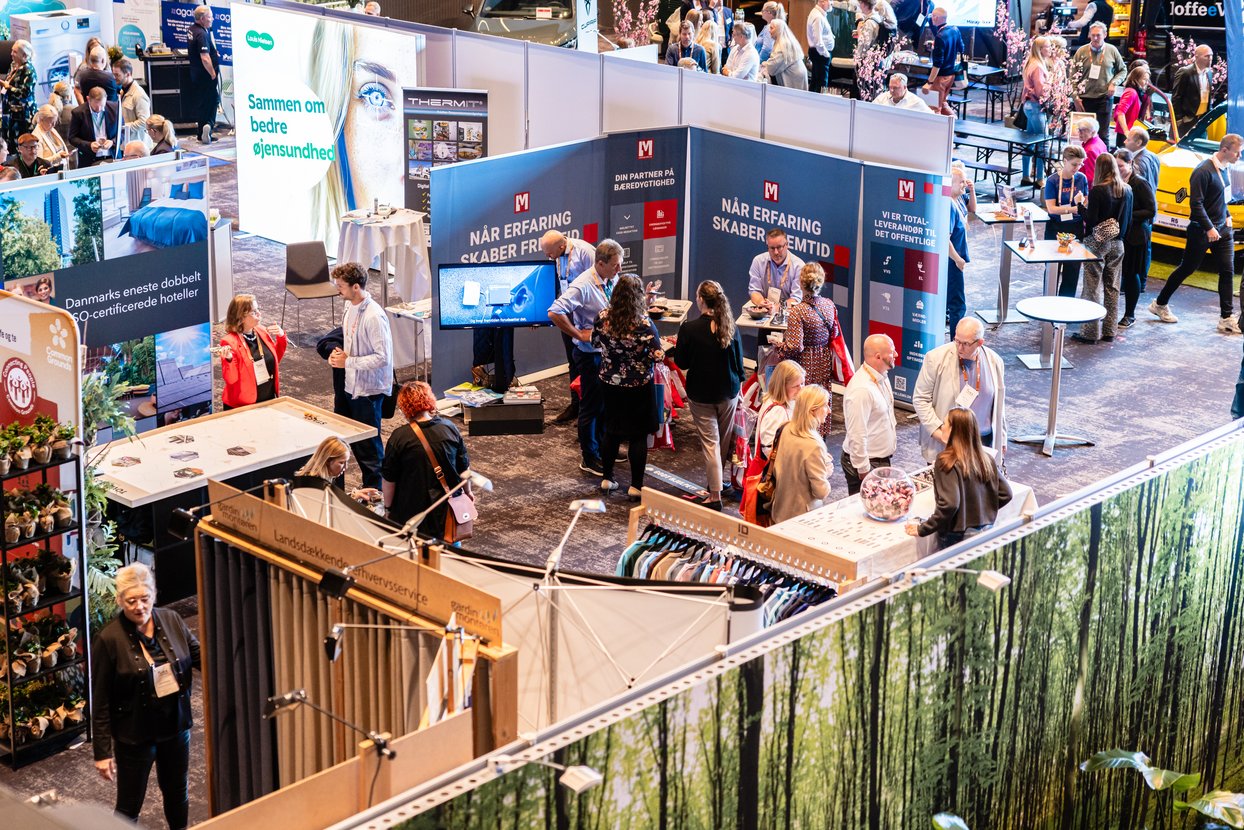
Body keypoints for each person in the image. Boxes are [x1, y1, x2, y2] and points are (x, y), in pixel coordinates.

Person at [92, 562, 199, 830]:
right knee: (129, 807)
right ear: (120, 601)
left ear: (154, 594)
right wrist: (102, 753)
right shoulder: (108, 639)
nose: (139, 607)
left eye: (145, 598)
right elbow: (101, 700)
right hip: (135, 735)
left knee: (178, 792)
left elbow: (198, 655)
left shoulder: (171, 619)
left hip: (175, 726)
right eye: (131, 601)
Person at [1150, 134, 1243, 332]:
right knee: (1187, 268)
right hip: (1201, 230)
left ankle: (1226, 317)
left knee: (1227, 271)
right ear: (1225, 150)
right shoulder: (1202, 171)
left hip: (1223, 229)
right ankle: (1159, 303)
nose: (1239, 156)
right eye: (1237, 152)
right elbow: (1196, 204)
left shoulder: (1225, 168)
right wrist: (1209, 227)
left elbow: (1221, 197)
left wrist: (1226, 215)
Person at [549, 239, 625, 477]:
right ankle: (589, 457)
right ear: (600, 264)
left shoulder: (611, 278)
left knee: (605, 404)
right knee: (591, 407)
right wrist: (578, 334)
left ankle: (603, 448)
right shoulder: (582, 285)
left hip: (607, 353)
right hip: (589, 356)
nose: (620, 269)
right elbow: (555, 311)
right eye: (615, 265)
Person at [673, 280, 745, 510]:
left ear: (702, 300)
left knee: (711, 444)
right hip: (728, 392)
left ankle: (715, 495)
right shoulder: (730, 326)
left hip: (701, 393)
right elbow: (739, 363)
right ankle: (718, 483)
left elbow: (682, 362)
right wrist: (740, 390)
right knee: (721, 442)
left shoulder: (689, 329)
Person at [593, 275, 665, 500]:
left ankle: (607, 478)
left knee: (611, 430)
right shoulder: (644, 323)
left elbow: (594, 342)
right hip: (638, 384)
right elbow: (658, 355)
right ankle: (636, 486)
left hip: (609, 382)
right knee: (638, 435)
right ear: (638, 296)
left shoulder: (602, 317)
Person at [905, 408, 1012, 549]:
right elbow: (1006, 493)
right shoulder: (986, 458)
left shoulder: (946, 461)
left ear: (953, 430)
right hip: (986, 530)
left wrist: (923, 528)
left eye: (945, 423)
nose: (942, 427)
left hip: (957, 537)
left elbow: (950, 504)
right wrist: (984, 511)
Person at [329, 262, 394, 489]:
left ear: (356, 287)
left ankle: (376, 497)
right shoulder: (349, 306)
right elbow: (351, 344)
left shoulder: (374, 316)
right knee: (340, 445)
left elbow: (382, 357)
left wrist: (348, 362)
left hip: (368, 393)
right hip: (349, 387)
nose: (337, 289)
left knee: (369, 453)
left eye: (341, 286)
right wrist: (338, 355)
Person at [382, 382, 472, 534]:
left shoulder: (399, 437)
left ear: (404, 407)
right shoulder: (449, 428)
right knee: (450, 543)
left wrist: (388, 508)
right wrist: (467, 492)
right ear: (430, 400)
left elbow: (389, 480)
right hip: (447, 507)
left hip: (412, 512)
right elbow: (464, 468)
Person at [912, 317, 1007, 461]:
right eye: (957, 341)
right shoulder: (935, 358)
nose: (959, 348)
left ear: (980, 342)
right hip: (948, 441)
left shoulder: (995, 361)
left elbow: (999, 403)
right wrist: (940, 434)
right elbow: (920, 399)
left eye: (965, 344)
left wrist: (1002, 437)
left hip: (983, 440)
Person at [773, 263, 842, 438]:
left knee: (805, 402)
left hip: (804, 364)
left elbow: (795, 346)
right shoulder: (829, 305)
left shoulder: (798, 311)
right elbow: (834, 333)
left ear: (800, 283)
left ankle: (804, 437)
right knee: (819, 400)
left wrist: (779, 346)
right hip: (823, 361)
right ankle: (820, 438)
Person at [1073, 152, 1131, 344]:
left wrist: (1080, 205)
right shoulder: (1127, 190)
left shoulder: (1098, 190)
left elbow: (1091, 220)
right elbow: (1128, 221)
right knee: (1112, 287)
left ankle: (1089, 333)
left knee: (1092, 286)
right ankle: (1109, 331)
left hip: (1097, 244)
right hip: (1118, 243)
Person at [542, 230, 598, 425]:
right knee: (573, 360)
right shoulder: (557, 255)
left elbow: (600, 281)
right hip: (568, 314)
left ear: (561, 246)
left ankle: (589, 408)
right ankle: (576, 404)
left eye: (550, 253)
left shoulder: (585, 252)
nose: (548, 257)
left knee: (588, 361)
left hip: (587, 316)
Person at [841, 334, 898, 495]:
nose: (896, 354)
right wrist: (864, 470)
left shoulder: (882, 376)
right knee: (865, 508)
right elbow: (856, 433)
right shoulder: (861, 390)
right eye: (892, 351)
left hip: (879, 461)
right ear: (878, 356)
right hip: (867, 465)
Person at [769, 384, 833, 523]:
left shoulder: (785, 427)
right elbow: (821, 492)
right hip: (802, 517)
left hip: (780, 509)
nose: (829, 411)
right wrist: (827, 469)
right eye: (825, 406)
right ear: (812, 410)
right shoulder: (814, 445)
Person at [218, 294, 288, 409]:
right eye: (254, 312)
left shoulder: (262, 331)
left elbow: (274, 361)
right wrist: (229, 359)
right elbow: (231, 379)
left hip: (268, 397)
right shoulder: (229, 342)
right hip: (243, 405)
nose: (259, 314)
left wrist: (281, 337)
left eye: (258, 309)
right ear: (241, 317)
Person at [1114, 148, 1153, 329]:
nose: (1118, 169)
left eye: (1121, 166)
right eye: (1115, 166)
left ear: (1130, 163)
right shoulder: (1116, 181)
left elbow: (1151, 210)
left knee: (1131, 275)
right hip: (1121, 234)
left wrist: (1127, 215)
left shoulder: (1140, 183)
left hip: (1136, 237)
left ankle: (1130, 314)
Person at [1044, 144, 1090, 297]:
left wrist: (1080, 205)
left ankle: (1067, 301)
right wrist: (1074, 208)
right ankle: (1048, 299)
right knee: (1052, 267)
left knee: (1073, 269)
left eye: (1080, 164)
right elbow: (1051, 209)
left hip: (1075, 227)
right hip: (1055, 227)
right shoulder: (1052, 180)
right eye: (1074, 164)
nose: (1077, 168)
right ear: (1065, 161)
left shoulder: (1081, 178)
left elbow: (1085, 202)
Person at [1070, 23, 1126, 142]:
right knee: (1082, 136)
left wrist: (1114, 83)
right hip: (1083, 100)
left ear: (1105, 35)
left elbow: (1123, 70)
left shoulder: (1112, 50)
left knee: (1103, 135)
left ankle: (1104, 154)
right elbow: (1072, 76)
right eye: (1093, 35)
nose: (1095, 38)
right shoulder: (1081, 51)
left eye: (1098, 35)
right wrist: (1075, 97)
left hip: (1104, 98)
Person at [296, 436, 383, 502]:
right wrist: (353, 498)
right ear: (327, 461)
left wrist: (354, 495)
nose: (346, 467)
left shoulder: (320, 478)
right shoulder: (314, 486)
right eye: (341, 463)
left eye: (347, 462)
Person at [946, 161, 975, 334]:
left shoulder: (956, 201)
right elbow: (945, 238)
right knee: (957, 305)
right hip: (952, 262)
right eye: (961, 181)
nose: (965, 184)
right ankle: (957, 343)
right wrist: (958, 260)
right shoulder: (950, 205)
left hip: (954, 261)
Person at [755, 359, 805, 459]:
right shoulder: (777, 411)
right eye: (796, 386)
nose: (801, 389)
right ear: (782, 387)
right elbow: (768, 448)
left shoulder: (786, 401)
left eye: (802, 383)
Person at [1019, 37, 1051, 186]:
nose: (1050, 49)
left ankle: (1026, 176)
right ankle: (1040, 179)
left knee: (1029, 143)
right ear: (1040, 49)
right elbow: (1040, 91)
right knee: (1043, 143)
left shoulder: (1030, 63)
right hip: (1036, 107)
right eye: (1048, 47)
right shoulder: (1038, 66)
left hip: (1028, 106)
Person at [748, 228, 806, 309]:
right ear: (768, 247)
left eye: (779, 247)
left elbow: (796, 299)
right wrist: (761, 302)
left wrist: (776, 308)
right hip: (765, 310)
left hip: (788, 312)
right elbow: (754, 291)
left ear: (787, 245)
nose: (776, 252)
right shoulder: (758, 261)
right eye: (772, 248)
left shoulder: (799, 266)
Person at [188, 5, 221, 144]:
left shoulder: (192, 29)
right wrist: (213, 73)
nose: (212, 19)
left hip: (196, 74)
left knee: (203, 103)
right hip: (205, 76)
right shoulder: (201, 34)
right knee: (213, 101)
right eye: (210, 17)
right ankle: (208, 126)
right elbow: (205, 58)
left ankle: (201, 133)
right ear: (202, 18)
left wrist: (213, 53)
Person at [922, 8, 963, 117]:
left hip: (940, 77)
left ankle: (945, 126)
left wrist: (929, 83)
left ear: (936, 18)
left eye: (932, 16)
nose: (931, 18)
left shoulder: (940, 37)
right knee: (942, 103)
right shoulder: (955, 29)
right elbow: (961, 48)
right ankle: (954, 122)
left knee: (934, 108)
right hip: (951, 75)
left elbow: (937, 64)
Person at [1170, 45, 1216, 139]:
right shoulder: (1185, 72)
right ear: (1196, 56)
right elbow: (1176, 97)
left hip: (1202, 119)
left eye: (1211, 55)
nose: (1210, 58)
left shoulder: (1209, 73)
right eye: (1207, 56)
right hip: (1186, 120)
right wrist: (1179, 119)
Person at [67, 88, 120, 167]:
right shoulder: (78, 113)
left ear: (106, 99)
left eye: (102, 105)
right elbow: (72, 138)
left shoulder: (115, 108)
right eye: (96, 106)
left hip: (112, 156)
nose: (99, 109)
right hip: (89, 160)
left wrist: (113, 142)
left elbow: (122, 132)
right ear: (88, 99)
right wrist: (89, 145)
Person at [1, 40, 38, 150]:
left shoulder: (29, 70)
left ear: (24, 55)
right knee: (8, 141)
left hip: (22, 114)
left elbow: (24, 93)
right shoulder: (13, 65)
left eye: (15, 52)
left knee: (21, 143)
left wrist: (8, 87)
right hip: (9, 111)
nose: (11, 54)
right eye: (12, 51)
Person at [760, 19, 808, 90]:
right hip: (795, 75)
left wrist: (766, 63)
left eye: (772, 28)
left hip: (794, 77)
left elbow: (772, 67)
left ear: (778, 30)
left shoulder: (783, 45)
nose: (769, 31)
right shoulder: (783, 41)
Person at [114, 57, 151, 145]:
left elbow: (144, 122)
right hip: (127, 141)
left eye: (117, 75)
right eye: (113, 74)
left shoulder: (139, 95)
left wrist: (123, 127)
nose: (114, 78)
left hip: (137, 144)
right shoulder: (123, 91)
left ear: (128, 74)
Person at [1111, 64, 1149, 148]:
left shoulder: (1136, 92)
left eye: (1147, 80)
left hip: (1130, 131)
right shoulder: (1131, 92)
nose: (1146, 82)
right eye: (1144, 79)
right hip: (1127, 133)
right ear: (1136, 79)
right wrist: (1126, 131)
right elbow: (1120, 112)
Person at [806, 0, 835, 94]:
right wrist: (826, 54)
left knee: (816, 82)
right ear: (822, 1)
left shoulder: (819, 14)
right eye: (830, 0)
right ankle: (822, 101)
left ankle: (813, 101)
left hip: (819, 53)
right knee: (822, 83)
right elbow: (818, 40)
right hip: (820, 54)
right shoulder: (818, 16)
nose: (832, 3)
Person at [32, 105, 70, 170]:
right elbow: (39, 162)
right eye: (51, 122)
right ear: (41, 120)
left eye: (55, 122)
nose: (54, 125)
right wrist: (58, 157)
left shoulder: (51, 129)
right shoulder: (36, 137)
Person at [1124, 125, 1160, 191]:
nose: (1125, 142)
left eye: (1128, 140)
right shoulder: (1154, 156)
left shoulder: (1137, 164)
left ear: (1138, 143)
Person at [72, 37, 105, 104]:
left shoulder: (106, 66)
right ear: (89, 52)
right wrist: (84, 108)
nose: (97, 52)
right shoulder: (83, 68)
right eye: (94, 49)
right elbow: (77, 90)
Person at [1075, 118, 1107, 185]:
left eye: (1083, 130)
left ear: (1093, 132)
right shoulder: (1099, 141)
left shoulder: (1090, 150)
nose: (1079, 133)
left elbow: (1090, 178)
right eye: (1079, 129)